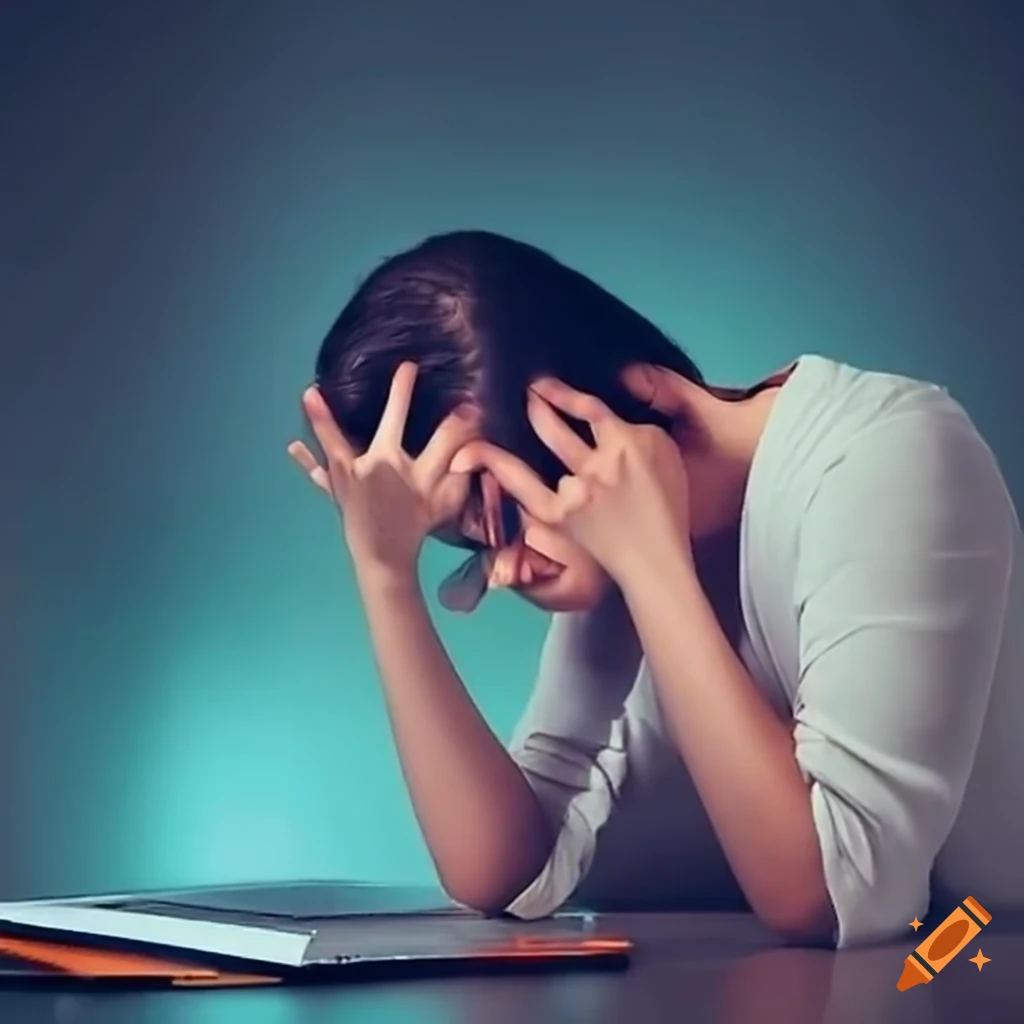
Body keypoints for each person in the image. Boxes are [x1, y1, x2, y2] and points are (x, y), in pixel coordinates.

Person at [288, 230, 1023, 948]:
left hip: (977, 966)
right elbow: (501, 870)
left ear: (597, 403)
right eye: (470, 544)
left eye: (505, 511)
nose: (507, 571)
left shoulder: (886, 457)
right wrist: (386, 579)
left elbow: (828, 896)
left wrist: (653, 565)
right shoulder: (608, 555)